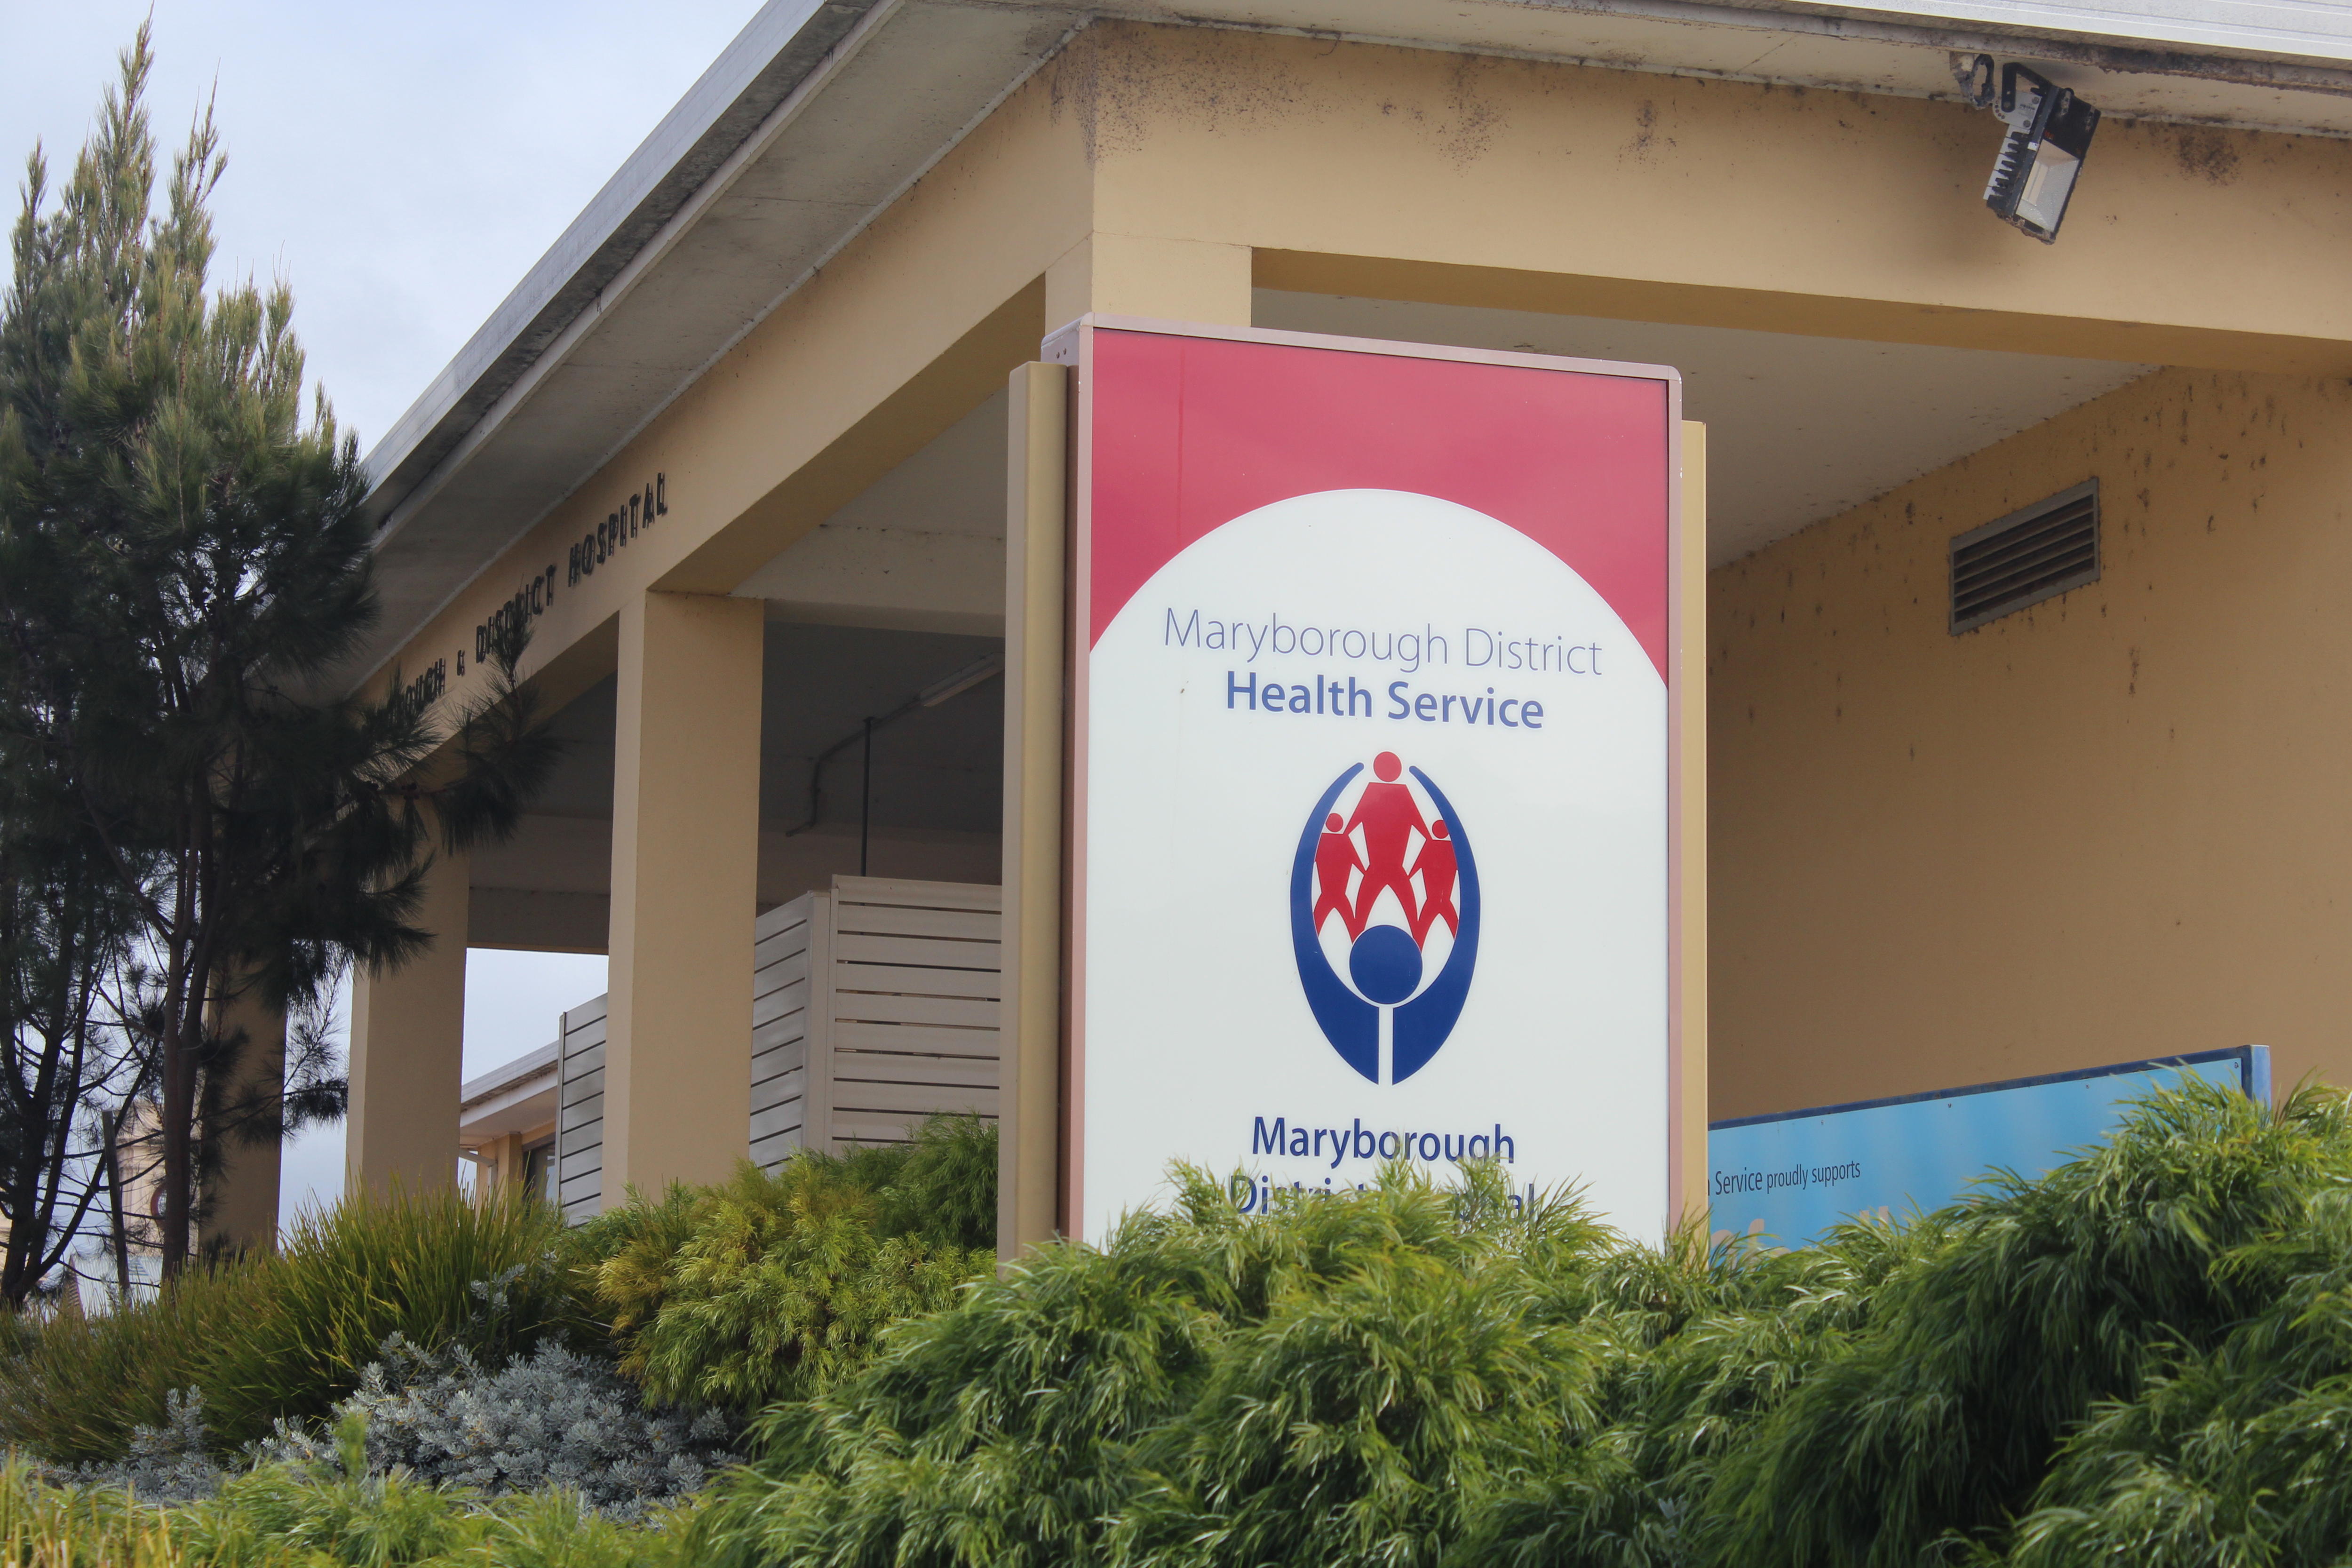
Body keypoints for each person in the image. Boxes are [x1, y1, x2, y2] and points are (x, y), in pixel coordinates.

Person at [1345, 752, 1429, 934]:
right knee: (1364, 911)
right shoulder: (1379, 793)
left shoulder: (1393, 794)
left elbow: (1350, 828)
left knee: (1362, 912)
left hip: (1388, 868)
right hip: (1380, 867)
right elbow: (1424, 832)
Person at [1311, 812, 1366, 938]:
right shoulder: (1345, 841)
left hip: (1329, 893)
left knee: (1317, 921)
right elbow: (1359, 865)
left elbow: (1310, 863)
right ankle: (1356, 940)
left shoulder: (1321, 842)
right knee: (1352, 925)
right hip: (1339, 893)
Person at [1411, 819, 1459, 943]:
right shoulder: (1452, 849)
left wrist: (1410, 876)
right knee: (1454, 925)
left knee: (1421, 928)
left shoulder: (1430, 846)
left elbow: (1417, 867)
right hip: (1442, 898)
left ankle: (1418, 946)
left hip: (1433, 898)